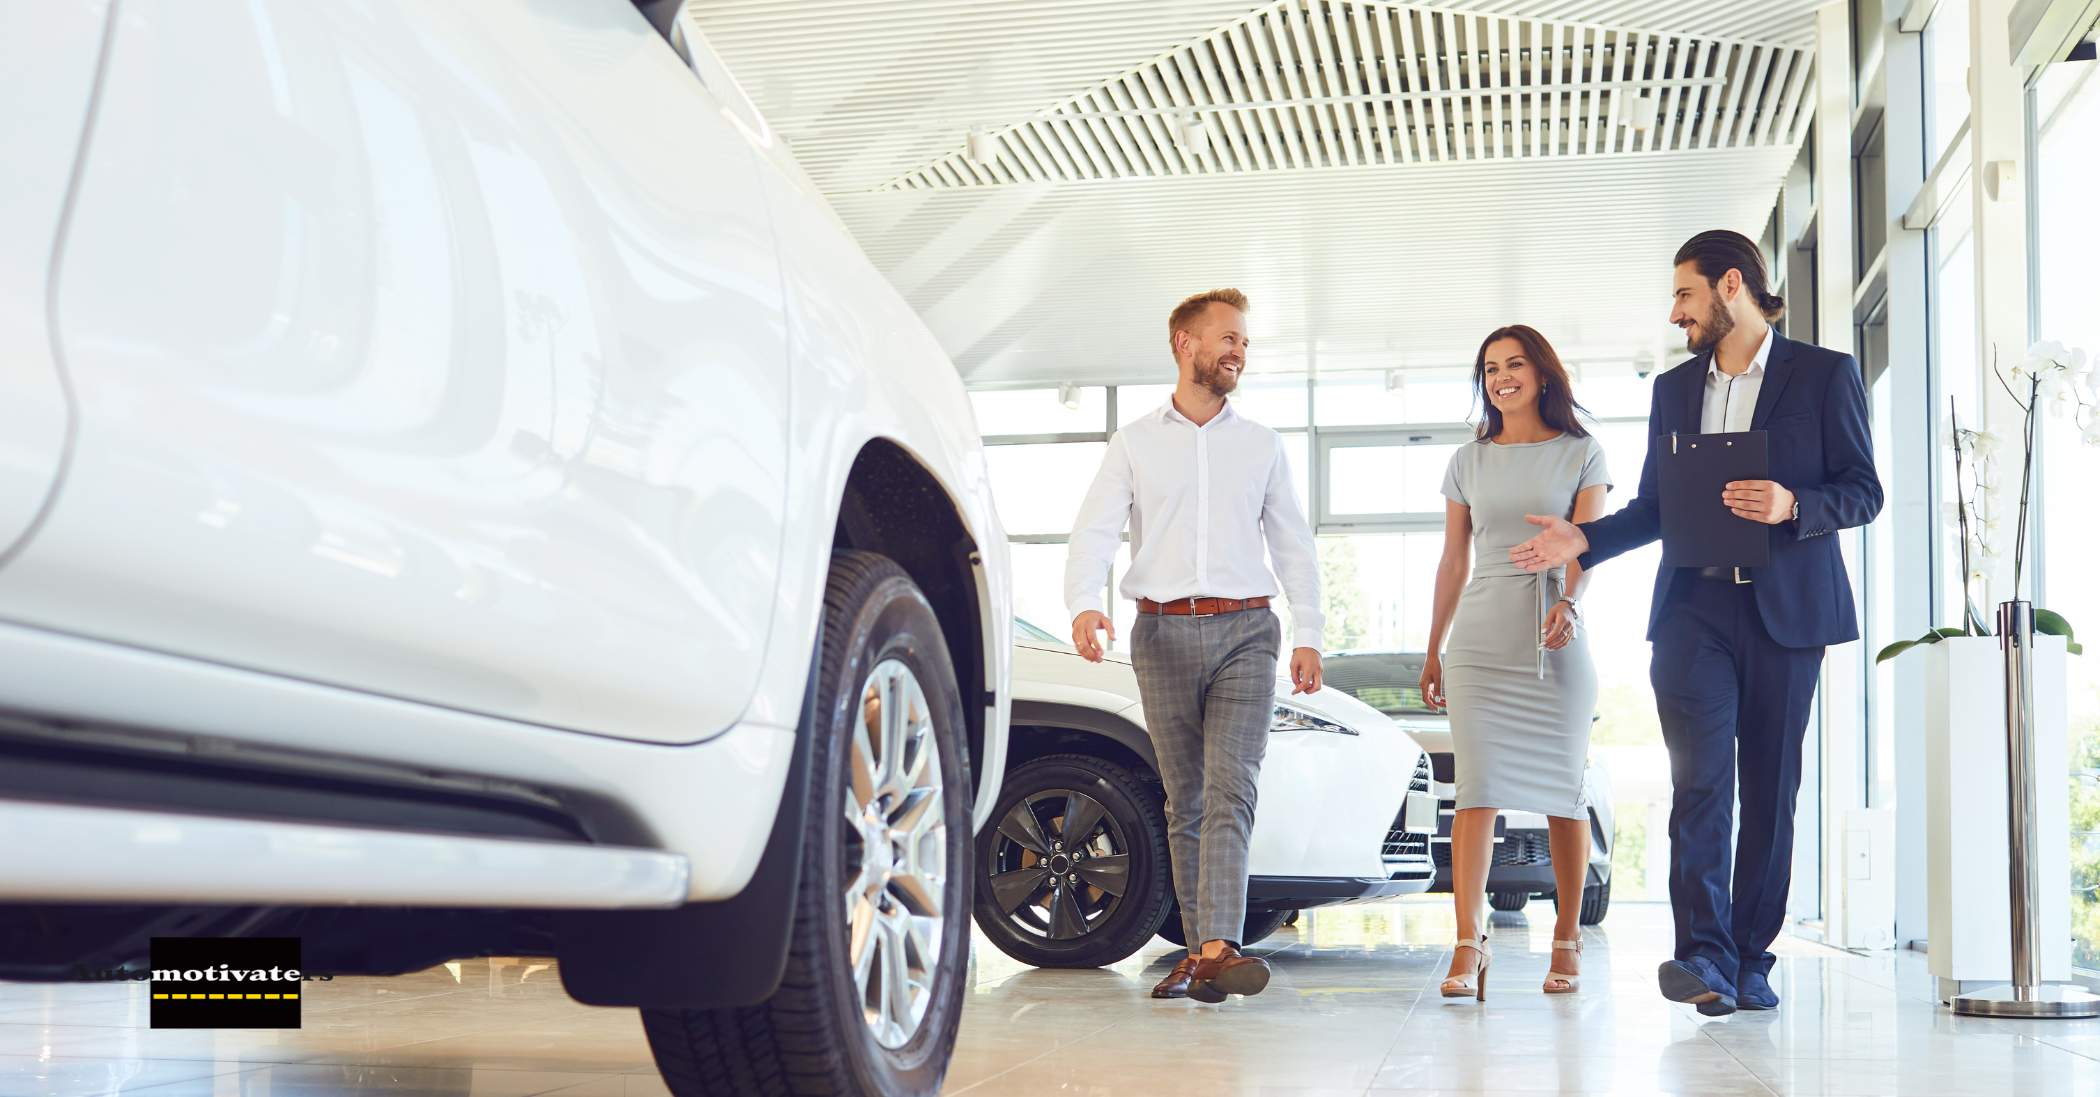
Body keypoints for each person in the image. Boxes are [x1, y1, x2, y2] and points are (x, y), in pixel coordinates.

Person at [1511, 230, 1883, 1015]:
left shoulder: (1823, 375)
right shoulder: (1675, 390)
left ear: (1732, 286)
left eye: (1685, 293)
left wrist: (1795, 505)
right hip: (1694, 610)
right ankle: (1705, 956)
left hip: (1788, 611)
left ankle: (1752, 957)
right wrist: (1586, 538)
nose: (1676, 311)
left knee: (1772, 788)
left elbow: (1863, 489)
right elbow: (1655, 505)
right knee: (1700, 783)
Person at [1065, 288, 1324, 1004]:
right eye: (1227, 338)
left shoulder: (1262, 444)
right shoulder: (1135, 441)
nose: (1239, 350)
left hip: (1248, 628)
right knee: (1186, 800)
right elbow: (1094, 529)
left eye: (1244, 340)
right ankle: (1202, 951)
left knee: (1232, 786)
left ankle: (1216, 946)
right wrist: (1085, 603)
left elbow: (1292, 543)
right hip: (1161, 631)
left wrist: (1310, 631)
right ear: (1185, 344)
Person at [1420, 325, 1611, 1001]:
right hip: (1479, 638)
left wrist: (1572, 604)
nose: (1503, 377)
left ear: (1542, 374)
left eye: (1515, 365)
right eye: (1492, 368)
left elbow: (1587, 547)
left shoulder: (1582, 453)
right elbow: (1453, 559)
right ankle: (1468, 944)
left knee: (1564, 790)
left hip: (1554, 636)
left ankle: (1566, 935)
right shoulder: (1467, 461)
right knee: (1476, 789)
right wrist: (1433, 645)